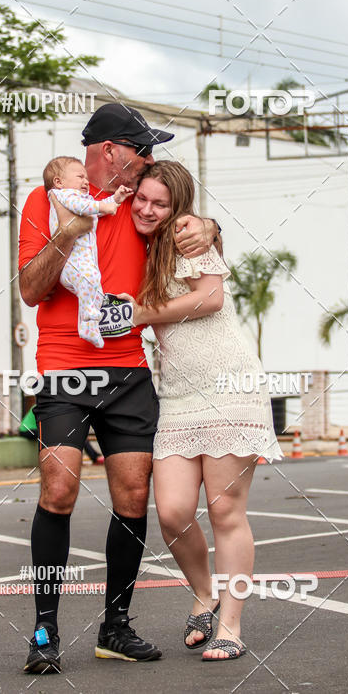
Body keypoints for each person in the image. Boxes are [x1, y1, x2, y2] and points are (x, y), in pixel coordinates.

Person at [18, 102, 219, 674]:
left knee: (132, 498)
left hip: (128, 372)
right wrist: (69, 231)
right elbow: (31, 290)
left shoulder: (137, 203)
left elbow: (188, 227)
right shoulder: (46, 200)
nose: (150, 160)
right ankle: (44, 630)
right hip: (64, 370)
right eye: (142, 150)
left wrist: (210, 227)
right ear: (110, 151)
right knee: (59, 491)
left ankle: (115, 627)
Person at [121, 161, 283, 662]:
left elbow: (210, 297)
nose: (147, 209)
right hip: (177, 396)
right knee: (172, 512)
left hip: (230, 386)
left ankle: (230, 627)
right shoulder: (136, 244)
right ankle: (204, 593)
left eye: (160, 203)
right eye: (142, 199)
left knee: (225, 511)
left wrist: (142, 313)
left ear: (179, 208)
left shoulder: (188, 235)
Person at [44, 155, 132, 348]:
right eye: (80, 177)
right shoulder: (62, 196)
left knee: (96, 292)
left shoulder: (82, 200)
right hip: (73, 262)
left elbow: (94, 209)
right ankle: (87, 323)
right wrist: (105, 206)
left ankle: (89, 326)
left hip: (83, 262)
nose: (85, 181)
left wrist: (116, 199)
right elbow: (85, 207)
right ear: (58, 182)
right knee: (90, 280)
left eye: (86, 177)